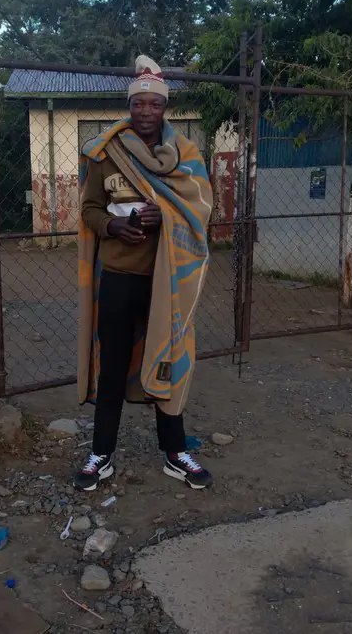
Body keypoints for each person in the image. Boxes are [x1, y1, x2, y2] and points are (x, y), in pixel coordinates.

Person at [74, 55, 214, 492]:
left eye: (155, 104)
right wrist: (114, 225)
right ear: (129, 106)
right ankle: (101, 455)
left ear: (165, 109)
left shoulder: (186, 157)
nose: (146, 111)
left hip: (165, 283)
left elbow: (199, 209)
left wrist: (165, 218)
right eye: (139, 104)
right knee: (112, 368)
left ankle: (175, 453)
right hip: (118, 277)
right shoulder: (106, 153)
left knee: (168, 363)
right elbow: (90, 209)